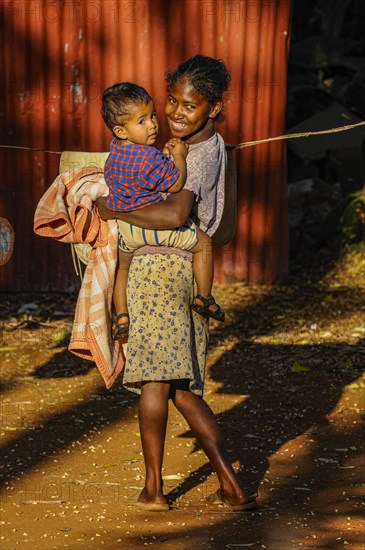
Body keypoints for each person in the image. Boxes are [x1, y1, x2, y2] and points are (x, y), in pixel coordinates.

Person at [97, 55, 256, 512]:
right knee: (179, 387)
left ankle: (153, 489)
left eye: (190, 105)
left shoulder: (201, 154)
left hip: (159, 274)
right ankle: (229, 482)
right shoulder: (192, 145)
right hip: (183, 274)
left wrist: (113, 211)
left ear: (214, 107)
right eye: (171, 102)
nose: (175, 114)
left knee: (152, 381)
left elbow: (172, 214)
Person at [101, 82, 224, 340]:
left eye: (152, 116)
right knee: (204, 243)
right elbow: (176, 182)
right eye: (142, 122)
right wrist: (178, 155)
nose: (153, 125)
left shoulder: (113, 154)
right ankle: (204, 296)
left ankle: (121, 316)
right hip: (153, 227)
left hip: (128, 231)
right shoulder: (151, 157)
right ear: (121, 130)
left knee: (121, 270)